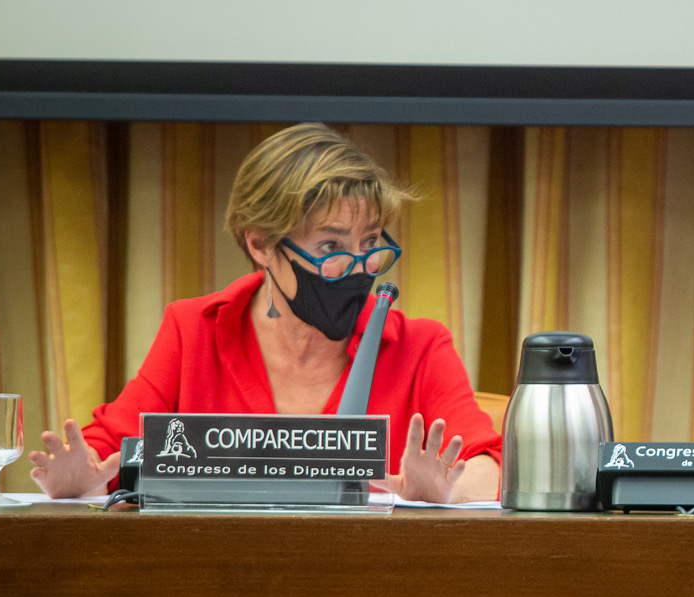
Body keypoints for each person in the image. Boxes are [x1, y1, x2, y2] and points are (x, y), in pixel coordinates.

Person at [29, 123, 501, 502]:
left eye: (371, 242)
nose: (359, 266)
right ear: (260, 244)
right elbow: (105, 456)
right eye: (331, 246)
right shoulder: (193, 330)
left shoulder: (419, 346)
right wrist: (80, 480)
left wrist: (446, 491)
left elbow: (491, 468)